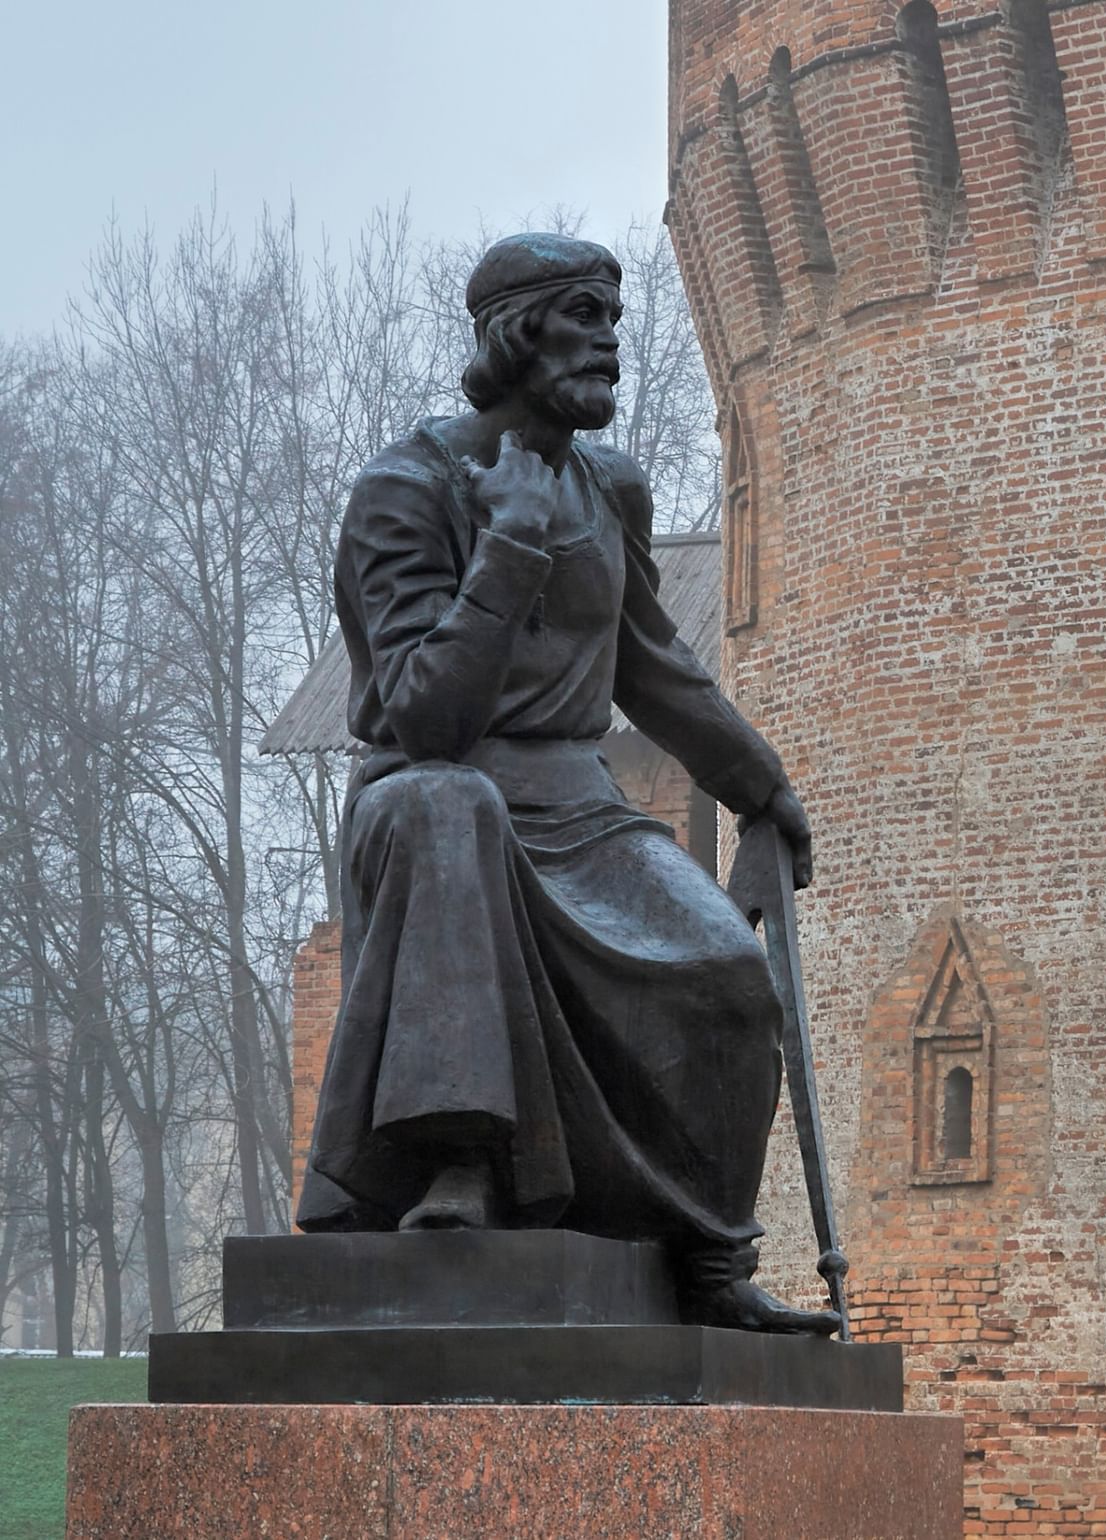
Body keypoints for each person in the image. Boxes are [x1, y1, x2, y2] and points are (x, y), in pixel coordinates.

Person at [294, 232, 837, 1334]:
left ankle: (706, 1257)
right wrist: (509, 551)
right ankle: (457, 1160)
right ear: (513, 333)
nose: (608, 347)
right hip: (429, 799)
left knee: (729, 974)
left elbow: (654, 667)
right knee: (455, 807)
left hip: (578, 808)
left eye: (613, 322)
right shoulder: (406, 489)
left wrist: (756, 783)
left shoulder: (610, 488)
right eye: (582, 319)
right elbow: (425, 718)